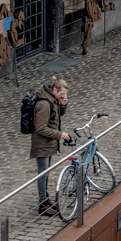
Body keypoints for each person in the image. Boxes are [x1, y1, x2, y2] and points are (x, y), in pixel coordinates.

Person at [31, 75, 71, 217]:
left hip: (48, 143)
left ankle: (46, 200)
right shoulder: (44, 104)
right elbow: (41, 127)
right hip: (42, 143)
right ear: (54, 90)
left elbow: (55, 116)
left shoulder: (52, 99)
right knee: (43, 174)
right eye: (62, 94)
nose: (64, 96)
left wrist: (63, 104)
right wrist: (59, 135)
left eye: (65, 94)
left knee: (46, 173)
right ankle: (43, 204)